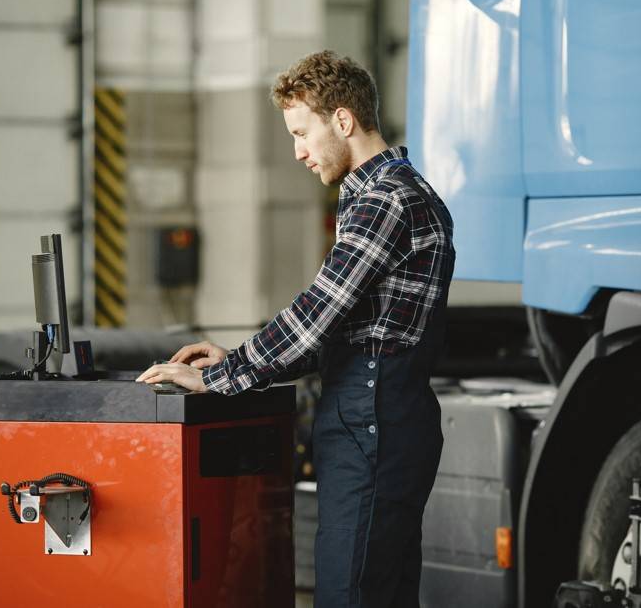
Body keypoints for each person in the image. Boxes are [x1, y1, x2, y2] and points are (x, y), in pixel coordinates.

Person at [137, 50, 455, 608]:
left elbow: (315, 317)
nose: (298, 152)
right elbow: (349, 328)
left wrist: (224, 377)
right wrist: (232, 356)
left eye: (302, 132)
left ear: (343, 120)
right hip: (381, 417)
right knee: (383, 590)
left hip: (372, 422)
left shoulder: (388, 201)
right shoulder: (385, 196)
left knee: (347, 594)